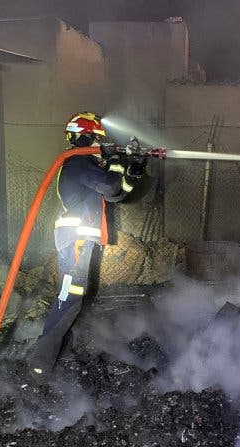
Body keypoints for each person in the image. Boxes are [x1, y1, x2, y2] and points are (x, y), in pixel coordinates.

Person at [28, 112, 146, 376]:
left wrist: (134, 171)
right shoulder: (79, 163)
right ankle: (39, 363)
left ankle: (58, 352)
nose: (98, 146)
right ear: (85, 137)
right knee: (69, 296)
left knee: (74, 296)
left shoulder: (86, 166)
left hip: (81, 240)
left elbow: (116, 194)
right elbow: (110, 184)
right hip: (76, 241)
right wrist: (116, 160)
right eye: (96, 139)